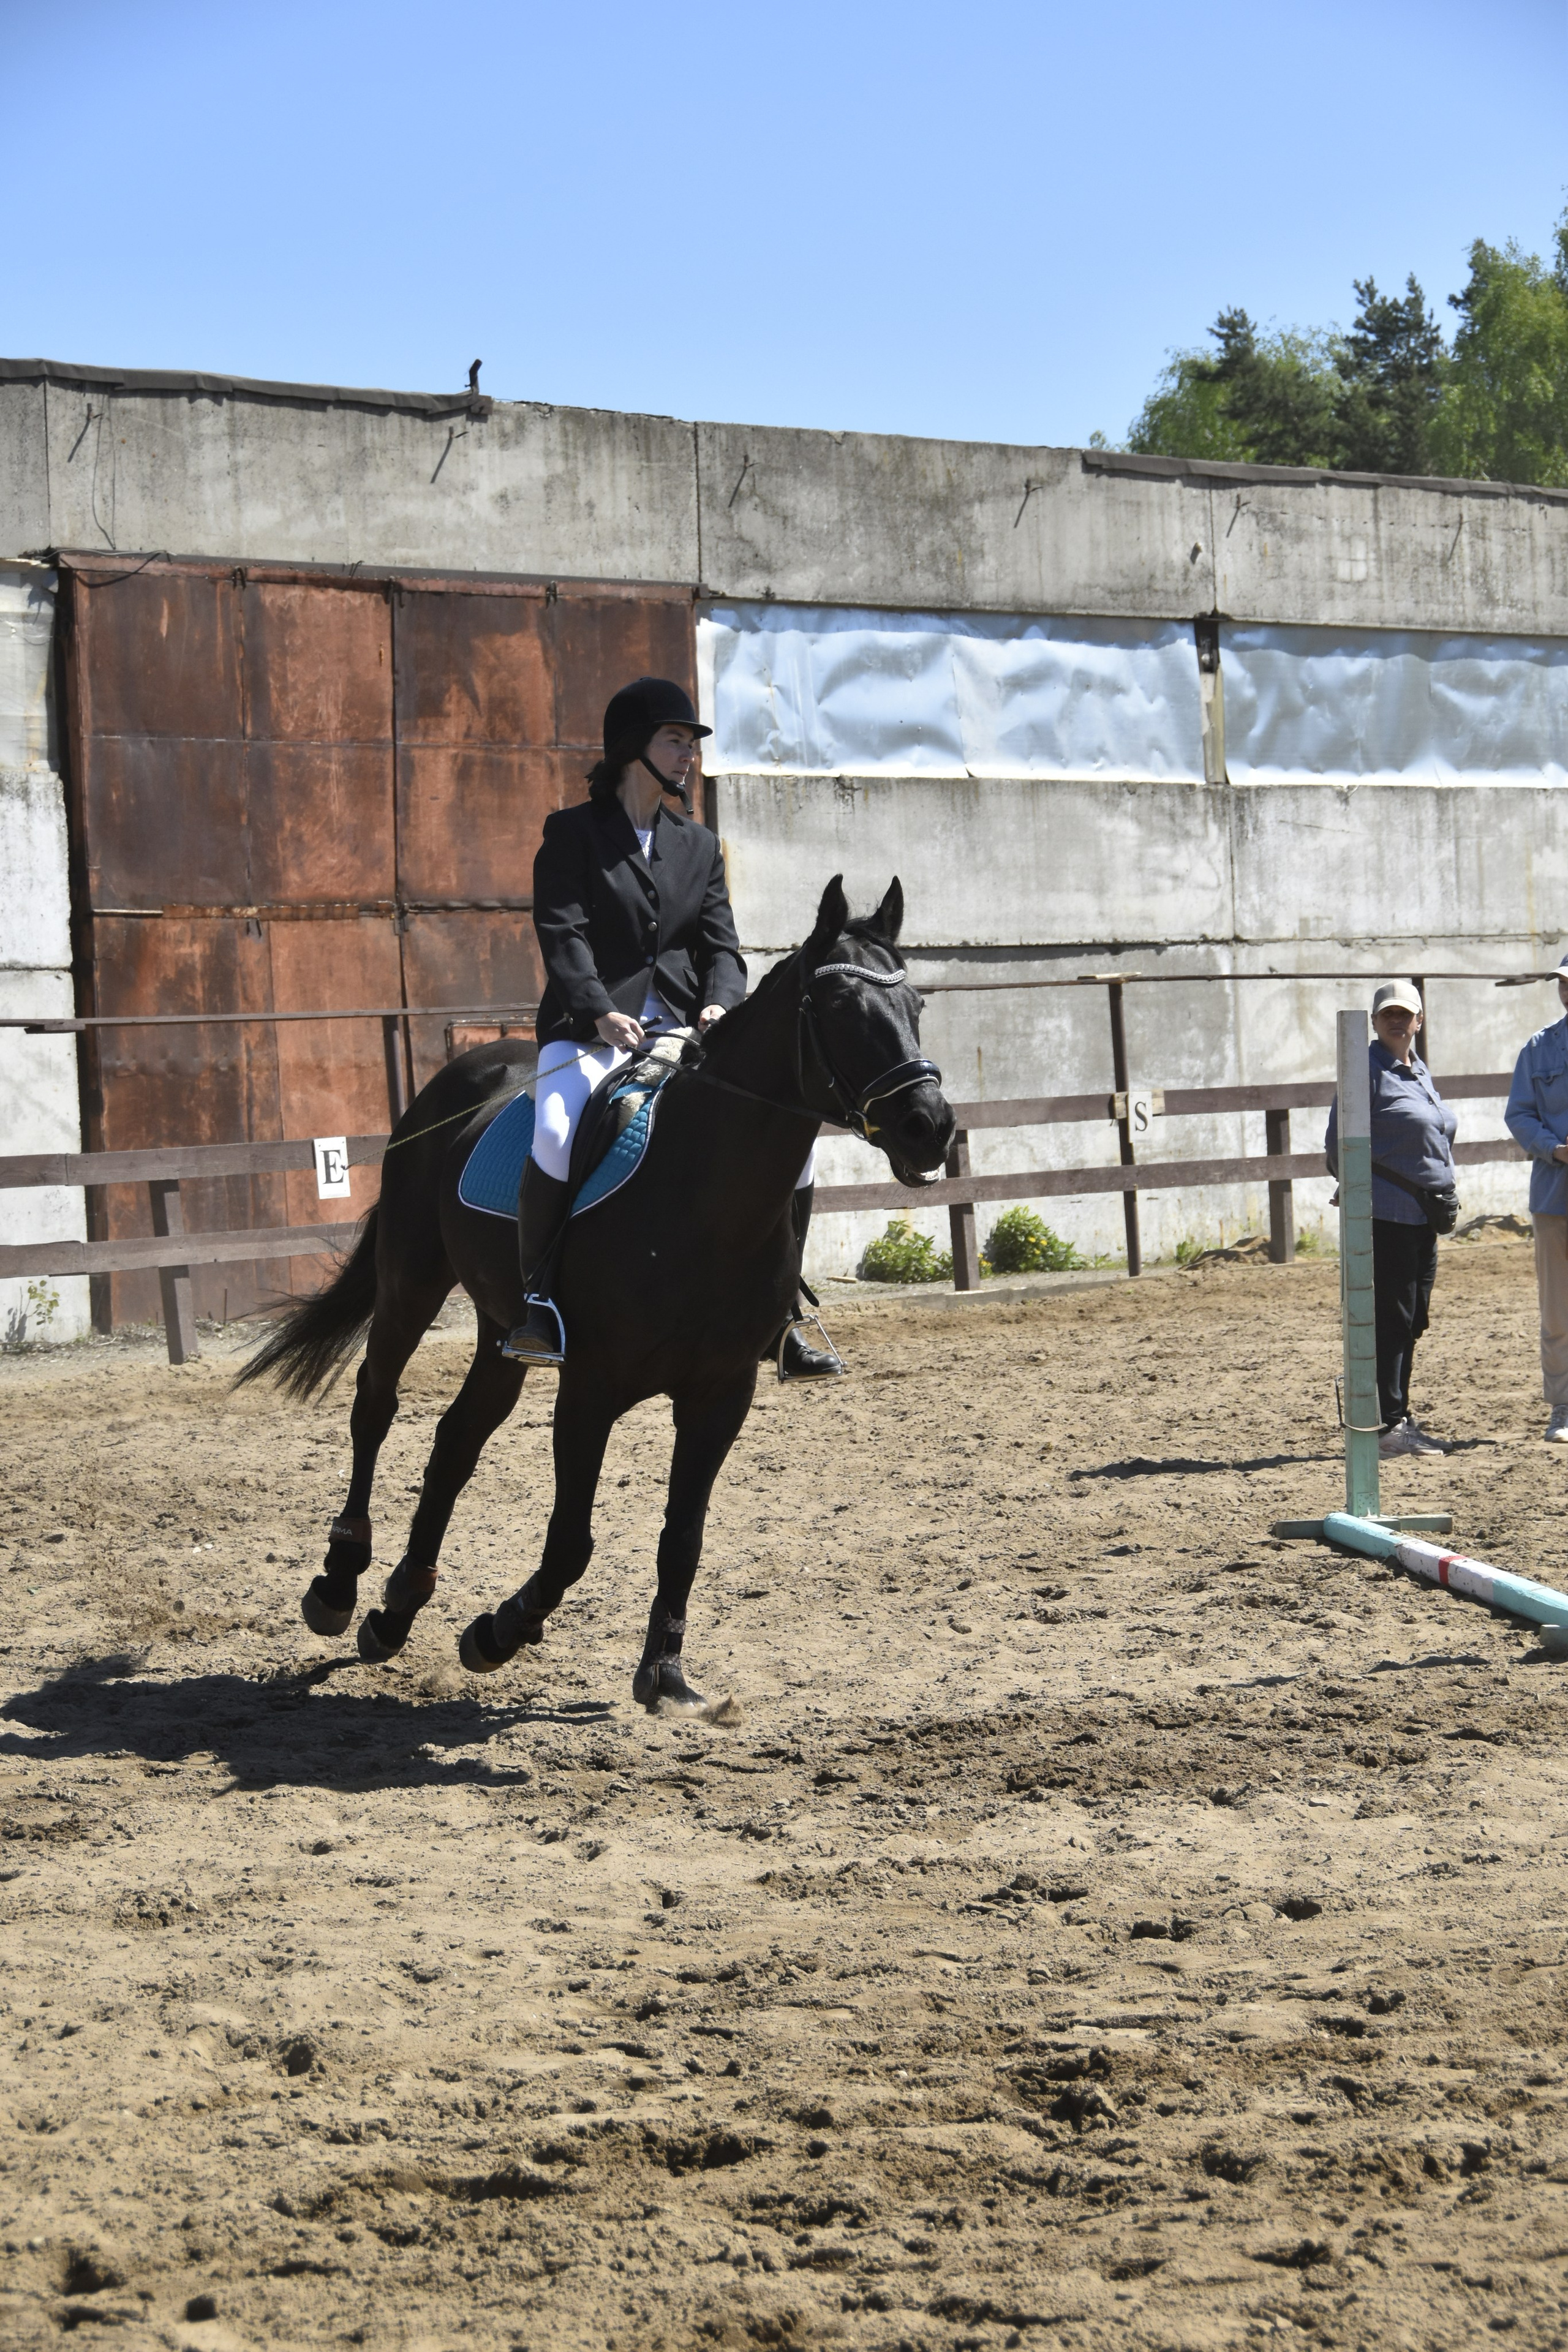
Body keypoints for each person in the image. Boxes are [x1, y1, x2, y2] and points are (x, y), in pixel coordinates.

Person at [503, 676, 840, 1379]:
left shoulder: (698, 845)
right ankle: (539, 1302)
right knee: (557, 1131)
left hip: (688, 1033)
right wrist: (599, 1009)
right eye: (675, 741)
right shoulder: (572, 835)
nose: (689, 755)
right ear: (635, 748)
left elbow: (721, 947)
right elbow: (562, 933)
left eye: (691, 743)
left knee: (795, 1142)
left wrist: (720, 1001)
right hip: (592, 1032)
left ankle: (780, 1312)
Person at [1324, 980, 1457, 1458]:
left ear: (1420, 1020)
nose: (1397, 1021)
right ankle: (1388, 1424)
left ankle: (1396, 1416)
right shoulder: (1366, 1072)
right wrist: (1364, 1191)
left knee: (1413, 1318)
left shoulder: (1417, 1071)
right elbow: (1337, 1145)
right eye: (1388, 1014)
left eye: (1405, 1014)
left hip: (1422, 1216)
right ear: (1375, 1021)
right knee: (1394, 1319)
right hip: (1389, 1216)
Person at [1504, 952, 1568, 1442]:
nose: (1566, 990)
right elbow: (1520, 1114)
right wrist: (1554, 1149)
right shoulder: (1538, 1048)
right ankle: (1563, 1407)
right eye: (1563, 983)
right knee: (1557, 1310)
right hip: (1555, 1195)